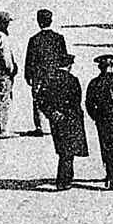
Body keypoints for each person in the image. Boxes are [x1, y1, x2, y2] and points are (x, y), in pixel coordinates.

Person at [36, 53, 88, 191]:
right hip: (70, 119)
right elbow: (76, 101)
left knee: (62, 149)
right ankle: (64, 180)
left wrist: (51, 112)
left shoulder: (49, 80)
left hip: (56, 120)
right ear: (69, 66)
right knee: (68, 152)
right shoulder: (73, 80)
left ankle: (64, 179)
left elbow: (40, 99)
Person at [84, 53, 113, 191]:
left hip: (103, 120)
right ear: (112, 66)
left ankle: (109, 173)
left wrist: (96, 117)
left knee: (105, 148)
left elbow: (89, 104)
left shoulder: (95, 83)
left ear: (100, 67)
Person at [25, 9, 67, 137]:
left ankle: (40, 127)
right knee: (55, 98)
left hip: (39, 75)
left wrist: (28, 75)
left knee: (38, 99)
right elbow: (63, 58)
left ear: (38, 22)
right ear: (51, 21)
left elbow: (29, 60)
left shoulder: (34, 39)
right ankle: (56, 124)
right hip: (54, 75)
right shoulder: (59, 38)